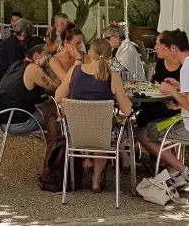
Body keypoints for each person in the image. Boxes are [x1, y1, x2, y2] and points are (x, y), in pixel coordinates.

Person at [136, 29, 189, 190]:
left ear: (173, 48)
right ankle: (174, 175)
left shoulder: (187, 68)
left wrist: (171, 91)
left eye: (159, 44)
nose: (155, 47)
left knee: (143, 133)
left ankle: (184, 171)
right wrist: (179, 90)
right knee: (156, 121)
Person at [55, 38, 133, 192]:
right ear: (110, 57)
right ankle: (96, 181)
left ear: (90, 53)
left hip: (76, 131)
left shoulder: (75, 71)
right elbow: (127, 110)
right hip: (101, 134)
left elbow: (58, 98)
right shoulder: (113, 77)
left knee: (96, 128)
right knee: (104, 130)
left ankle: (88, 159)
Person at [0, 44, 57, 134]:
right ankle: (57, 146)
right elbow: (55, 88)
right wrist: (50, 66)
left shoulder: (16, 65)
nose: (49, 57)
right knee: (54, 112)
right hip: (17, 123)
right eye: (47, 54)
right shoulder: (32, 68)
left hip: (1, 119)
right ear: (36, 56)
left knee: (47, 107)